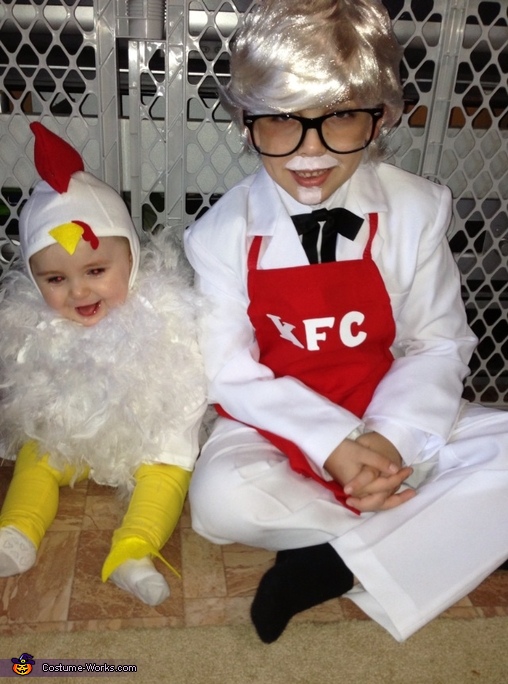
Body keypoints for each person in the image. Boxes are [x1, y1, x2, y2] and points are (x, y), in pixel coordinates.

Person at [184, 0, 508, 643]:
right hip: (275, 428)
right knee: (220, 503)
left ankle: (329, 564)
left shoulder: (418, 210)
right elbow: (229, 371)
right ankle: (449, 529)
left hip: (393, 413)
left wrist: (386, 440)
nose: (310, 153)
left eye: (339, 121)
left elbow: (436, 342)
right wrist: (331, 442)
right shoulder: (219, 233)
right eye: (281, 124)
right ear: (246, 122)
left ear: (380, 117)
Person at [0, 122, 206, 606]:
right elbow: (33, 394)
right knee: (37, 456)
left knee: (170, 469)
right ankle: (17, 529)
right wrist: (51, 421)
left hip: (147, 436)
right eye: (54, 278)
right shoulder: (32, 326)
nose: (78, 292)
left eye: (96, 271)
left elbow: (186, 387)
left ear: (131, 259)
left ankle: (132, 551)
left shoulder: (165, 314)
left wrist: (173, 439)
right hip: (75, 432)